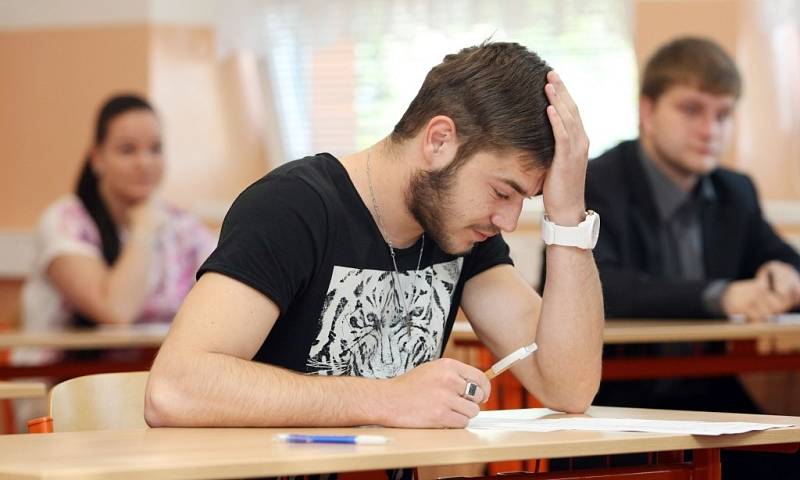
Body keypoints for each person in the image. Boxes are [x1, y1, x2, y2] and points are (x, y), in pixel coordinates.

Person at [145, 41, 603, 438]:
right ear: (440, 140)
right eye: (503, 191)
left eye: (525, 199)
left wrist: (568, 218)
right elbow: (176, 388)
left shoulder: (461, 231)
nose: (506, 219)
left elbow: (568, 386)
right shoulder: (294, 207)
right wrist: (386, 399)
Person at [549, 37, 800, 478]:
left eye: (723, 115)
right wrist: (719, 297)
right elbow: (605, 287)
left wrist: (785, 273)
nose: (710, 130)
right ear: (647, 111)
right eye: (691, 110)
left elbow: (779, 256)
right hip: (612, 399)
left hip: (710, 395)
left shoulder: (734, 191)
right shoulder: (597, 181)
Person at [16, 94, 216, 365]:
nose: (144, 163)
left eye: (155, 149)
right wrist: (143, 230)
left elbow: (220, 292)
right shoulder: (65, 222)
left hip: (152, 384)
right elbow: (116, 312)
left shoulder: (182, 225)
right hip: (60, 388)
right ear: (97, 158)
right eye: (127, 150)